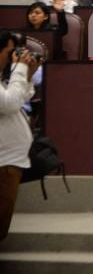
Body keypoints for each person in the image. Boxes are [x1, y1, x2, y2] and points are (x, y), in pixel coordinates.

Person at [0, 30, 39, 241]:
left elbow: (17, 100)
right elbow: (10, 103)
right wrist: (20, 69)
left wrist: (27, 76)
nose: (11, 56)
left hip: (9, 162)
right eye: (8, 52)